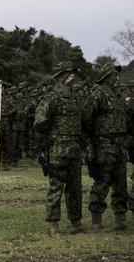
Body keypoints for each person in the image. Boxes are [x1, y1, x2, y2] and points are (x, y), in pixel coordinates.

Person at [34, 61, 89, 235]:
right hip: (58, 149)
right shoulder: (51, 97)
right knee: (56, 187)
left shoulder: (75, 97)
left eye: (72, 73)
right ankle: (53, 224)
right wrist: (54, 135)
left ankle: (76, 221)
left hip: (74, 149)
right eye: (68, 73)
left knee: (75, 187)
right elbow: (40, 121)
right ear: (60, 77)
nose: (72, 76)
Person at [86, 64, 129, 230]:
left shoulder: (117, 95)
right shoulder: (97, 95)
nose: (116, 78)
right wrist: (96, 138)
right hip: (104, 145)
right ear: (105, 77)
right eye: (113, 75)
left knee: (121, 182)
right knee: (102, 181)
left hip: (120, 145)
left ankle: (120, 217)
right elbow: (87, 118)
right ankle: (96, 219)